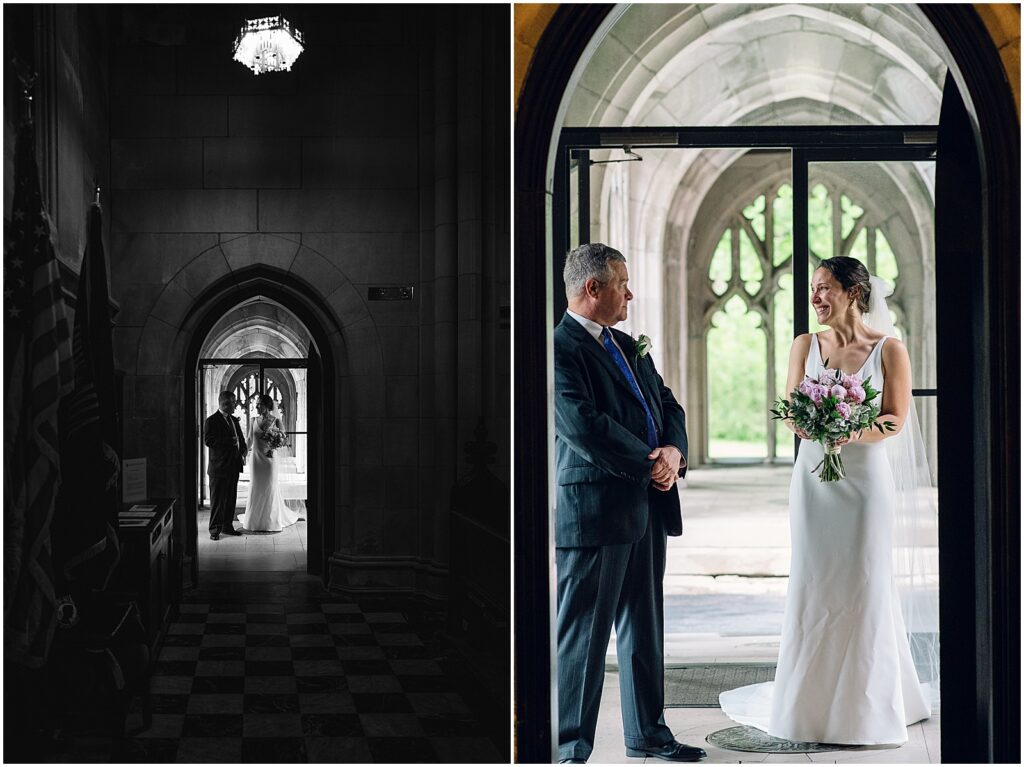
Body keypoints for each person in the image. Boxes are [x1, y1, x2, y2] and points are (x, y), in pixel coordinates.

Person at [719, 256, 933, 745]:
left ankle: (868, 706)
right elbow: (791, 409)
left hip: (865, 485)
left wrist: (844, 431)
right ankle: (808, 705)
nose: (815, 298)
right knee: (815, 581)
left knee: (863, 580)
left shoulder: (889, 351)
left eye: (824, 289)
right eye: (813, 289)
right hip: (814, 481)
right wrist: (817, 429)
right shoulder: (804, 345)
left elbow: (894, 419)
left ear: (855, 293)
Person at [554, 243, 705, 764]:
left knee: (645, 628)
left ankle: (649, 736)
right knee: (583, 638)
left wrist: (674, 451)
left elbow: (667, 402)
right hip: (594, 511)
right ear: (592, 288)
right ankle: (569, 747)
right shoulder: (558, 349)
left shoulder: (625, 343)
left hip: (646, 506)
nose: (630, 293)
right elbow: (583, 427)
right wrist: (651, 461)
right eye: (621, 282)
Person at [236, 394, 303, 533]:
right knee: (256, 486)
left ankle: (270, 521)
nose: (257, 406)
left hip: (270, 459)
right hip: (256, 459)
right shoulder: (253, 419)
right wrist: (242, 454)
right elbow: (249, 439)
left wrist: (275, 443)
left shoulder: (276, 421)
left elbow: (283, 440)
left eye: (259, 404)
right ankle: (254, 521)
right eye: (256, 404)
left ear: (267, 405)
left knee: (269, 487)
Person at [204, 391, 247, 540]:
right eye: (234, 402)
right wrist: (229, 441)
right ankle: (215, 530)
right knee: (217, 501)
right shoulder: (212, 420)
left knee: (230, 499)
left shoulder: (234, 420)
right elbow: (209, 441)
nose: (235, 405)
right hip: (219, 468)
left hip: (233, 467)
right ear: (225, 404)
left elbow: (240, 438)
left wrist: (244, 449)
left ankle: (227, 527)